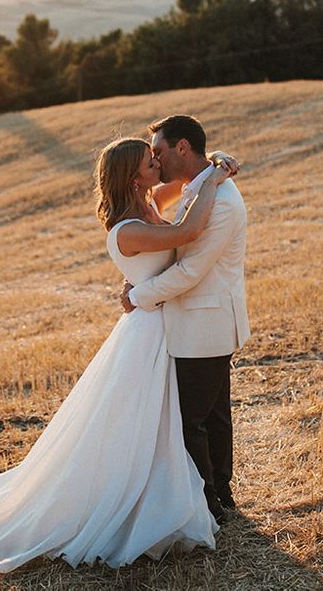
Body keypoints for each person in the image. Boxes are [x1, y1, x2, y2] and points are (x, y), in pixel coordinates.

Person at [0, 137, 237, 583]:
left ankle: (186, 491)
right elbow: (187, 232)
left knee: (159, 422)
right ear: (134, 177)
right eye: (150, 160)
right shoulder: (127, 229)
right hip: (147, 333)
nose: (158, 162)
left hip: (160, 325)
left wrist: (211, 167)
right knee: (135, 424)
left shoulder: (149, 201)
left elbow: (184, 190)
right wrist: (219, 174)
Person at [120, 114, 250, 525]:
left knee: (195, 418)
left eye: (158, 151)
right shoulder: (198, 189)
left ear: (182, 148)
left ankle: (209, 504)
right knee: (210, 415)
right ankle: (219, 497)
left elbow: (190, 272)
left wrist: (137, 297)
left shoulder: (223, 201)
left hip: (204, 322)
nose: (155, 160)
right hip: (195, 321)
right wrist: (215, 164)